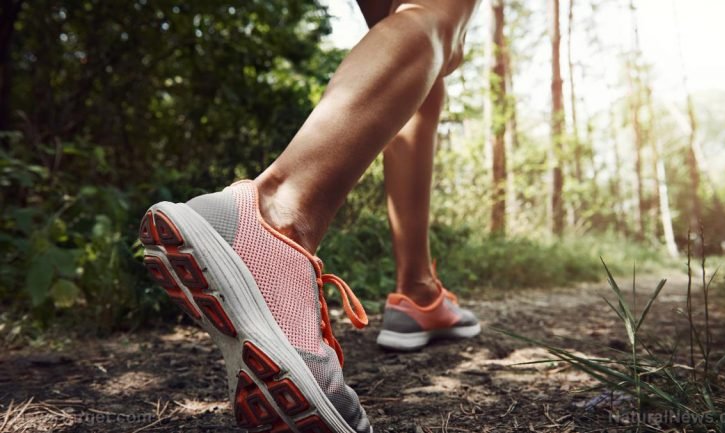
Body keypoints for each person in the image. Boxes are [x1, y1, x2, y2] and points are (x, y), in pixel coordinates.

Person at [138, 1, 482, 432]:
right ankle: (277, 217)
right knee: (436, 18)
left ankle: (417, 290)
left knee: (419, 51)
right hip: (268, 219)